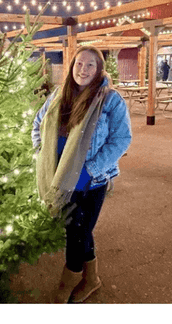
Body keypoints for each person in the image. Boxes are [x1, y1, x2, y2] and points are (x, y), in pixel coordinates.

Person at [32, 46, 132, 303]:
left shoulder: (110, 100)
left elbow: (121, 139)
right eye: (79, 64)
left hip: (91, 181)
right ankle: (92, 279)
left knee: (77, 233)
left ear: (99, 69)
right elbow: (38, 123)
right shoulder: (58, 94)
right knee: (79, 230)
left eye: (90, 65)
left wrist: (90, 171)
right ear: (72, 66)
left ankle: (68, 281)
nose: (83, 70)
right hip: (60, 177)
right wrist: (41, 153)